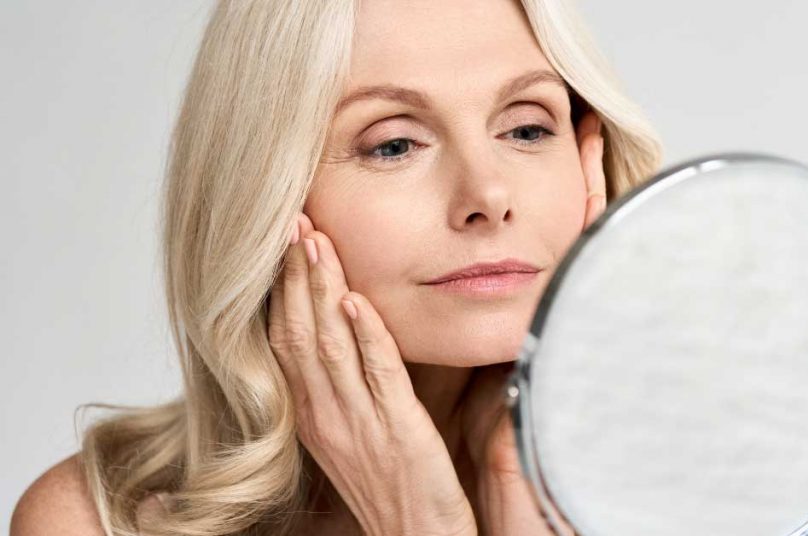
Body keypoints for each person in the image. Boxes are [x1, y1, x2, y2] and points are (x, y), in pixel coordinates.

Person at [11, 0, 661, 534]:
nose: (488, 195)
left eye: (526, 129)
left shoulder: (687, 487)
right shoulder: (100, 521)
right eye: (394, 144)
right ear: (267, 197)